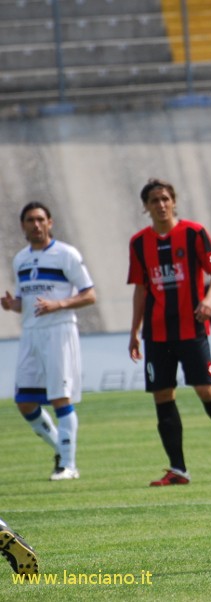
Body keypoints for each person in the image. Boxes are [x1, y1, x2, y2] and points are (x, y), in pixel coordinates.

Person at [127, 178, 211, 487]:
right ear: (146, 207)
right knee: (162, 396)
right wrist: (134, 331)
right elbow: (141, 289)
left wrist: (209, 299)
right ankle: (178, 469)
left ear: (174, 201)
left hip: (191, 327)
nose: (161, 204)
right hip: (156, 333)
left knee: (206, 391)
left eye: (165, 198)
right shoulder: (139, 243)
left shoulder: (194, 233)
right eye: (154, 200)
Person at [2, 202, 96, 481]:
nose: (36, 224)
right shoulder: (20, 259)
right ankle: (60, 448)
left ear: (50, 222)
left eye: (41, 219)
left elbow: (90, 294)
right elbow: (27, 303)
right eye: (30, 220)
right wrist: (12, 304)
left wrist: (60, 304)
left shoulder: (66, 254)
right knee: (24, 402)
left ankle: (69, 465)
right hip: (31, 334)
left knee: (59, 398)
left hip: (59, 331)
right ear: (23, 226)